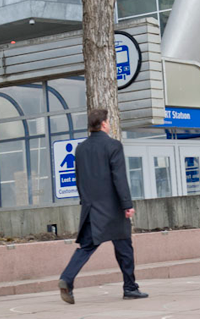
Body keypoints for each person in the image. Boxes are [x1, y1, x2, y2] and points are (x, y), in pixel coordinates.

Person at [58, 109, 148, 304]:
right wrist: (127, 205)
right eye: (108, 121)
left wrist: (86, 201)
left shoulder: (80, 148)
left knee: (86, 247)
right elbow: (119, 178)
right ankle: (130, 287)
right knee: (124, 247)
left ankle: (67, 278)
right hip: (113, 209)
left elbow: (79, 179)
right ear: (104, 124)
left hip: (91, 208)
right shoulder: (113, 146)